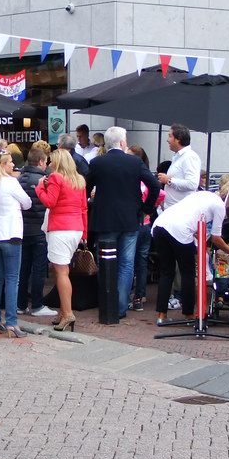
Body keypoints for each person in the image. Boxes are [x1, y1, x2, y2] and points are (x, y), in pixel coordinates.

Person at [87, 126, 161, 318]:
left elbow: (85, 188)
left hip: (105, 220)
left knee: (105, 262)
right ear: (122, 143)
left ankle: (107, 303)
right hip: (129, 219)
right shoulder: (135, 162)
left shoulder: (97, 163)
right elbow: (154, 185)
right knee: (127, 264)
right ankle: (120, 307)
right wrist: (147, 208)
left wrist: (90, 205)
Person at [151, 183, 229, 327]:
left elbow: (192, 215)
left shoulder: (205, 194)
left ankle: (162, 315)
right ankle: (188, 313)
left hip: (160, 225)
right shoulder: (220, 207)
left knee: (166, 272)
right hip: (180, 230)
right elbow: (216, 238)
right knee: (188, 273)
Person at [36, 149, 88, 333]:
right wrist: (84, 234)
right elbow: (83, 208)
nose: (49, 164)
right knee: (61, 271)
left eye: (52, 161)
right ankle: (63, 311)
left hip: (60, 228)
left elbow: (50, 202)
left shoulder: (56, 177)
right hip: (75, 228)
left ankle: (68, 313)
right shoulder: (79, 180)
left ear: (58, 163)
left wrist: (40, 188)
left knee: (61, 272)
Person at [0, 150, 33, 337]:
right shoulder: (11, 182)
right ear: (2, 165)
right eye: (10, 162)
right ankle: (12, 322)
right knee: (12, 279)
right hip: (11, 234)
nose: (13, 165)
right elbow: (27, 202)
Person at [16, 146, 53, 317]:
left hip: (22, 229)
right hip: (39, 229)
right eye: (45, 162)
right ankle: (37, 305)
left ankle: (21, 304)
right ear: (40, 162)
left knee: (23, 269)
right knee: (38, 269)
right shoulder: (44, 180)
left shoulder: (18, 179)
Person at [127, 145, 156, 312]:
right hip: (146, 225)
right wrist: (149, 209)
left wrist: (145, 209)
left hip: (135, 224)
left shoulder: (135, 179)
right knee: (142, 261)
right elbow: (160, 194)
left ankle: (128, 294)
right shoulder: (148, 177)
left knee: (129, 261)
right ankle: (139, 296)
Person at [158, 123, 201, 209]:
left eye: (170, 136)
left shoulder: (189, 157)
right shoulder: (179, 156)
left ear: (178, 139)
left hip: (181, 210)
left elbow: (192, 184)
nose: (167, 140)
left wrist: (169, 180)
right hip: (172, 209)